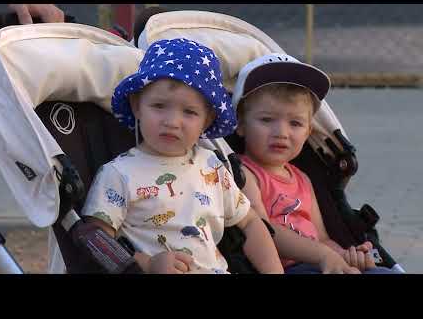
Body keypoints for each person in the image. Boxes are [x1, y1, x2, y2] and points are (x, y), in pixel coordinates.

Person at [80, 38, 283, 274]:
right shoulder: (118, 174)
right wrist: (146, 263)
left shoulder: (212, 166)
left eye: (189, 112)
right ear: (137, 106)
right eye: (159, 106)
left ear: (206, 121)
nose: (172, 122)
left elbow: (249, 222)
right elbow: (96, 239)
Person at [231, 53, 396, 274]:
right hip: (282, 268)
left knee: (381, 272)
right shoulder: (244, 174)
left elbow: (323, 238)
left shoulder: (303, 178)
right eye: (266, 120)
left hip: (319, 262)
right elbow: (262, 231)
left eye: (295, 123)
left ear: (309, 132)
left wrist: (346, 257)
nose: (281, 133)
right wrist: (322, 255)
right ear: (240, 125)